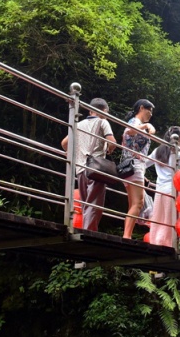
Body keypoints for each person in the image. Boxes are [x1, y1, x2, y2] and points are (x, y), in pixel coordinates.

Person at [61, 98, 115, 231]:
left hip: (80, 169)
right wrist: (109, 148)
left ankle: (86, 229)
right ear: (105, 111)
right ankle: (89, 232)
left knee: (86, 204)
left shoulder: (78, 124)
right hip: (96, 169)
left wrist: (69, 152)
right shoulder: (103, 122)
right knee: (95, 204)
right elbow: (112, 142)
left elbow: (64, 143)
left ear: (91, 110)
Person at [120, 99, 156, 239]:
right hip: (135, 166)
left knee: (133, 204)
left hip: (131, 167)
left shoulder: (136, 123)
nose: (151, 114)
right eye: (149, 110)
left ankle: (127, 234)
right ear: (141, 108)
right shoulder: (135, 122)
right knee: (138, 203)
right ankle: (127, 236)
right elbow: (130, 131)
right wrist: (147, 125)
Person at [148, 126, 180, 247]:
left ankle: (155, 241)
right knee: (170, 219)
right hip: (174, 190)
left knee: (158, 218)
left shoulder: (158, 151)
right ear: (179, 138)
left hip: (160, 189)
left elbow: (144, 163)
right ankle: (167, 244)